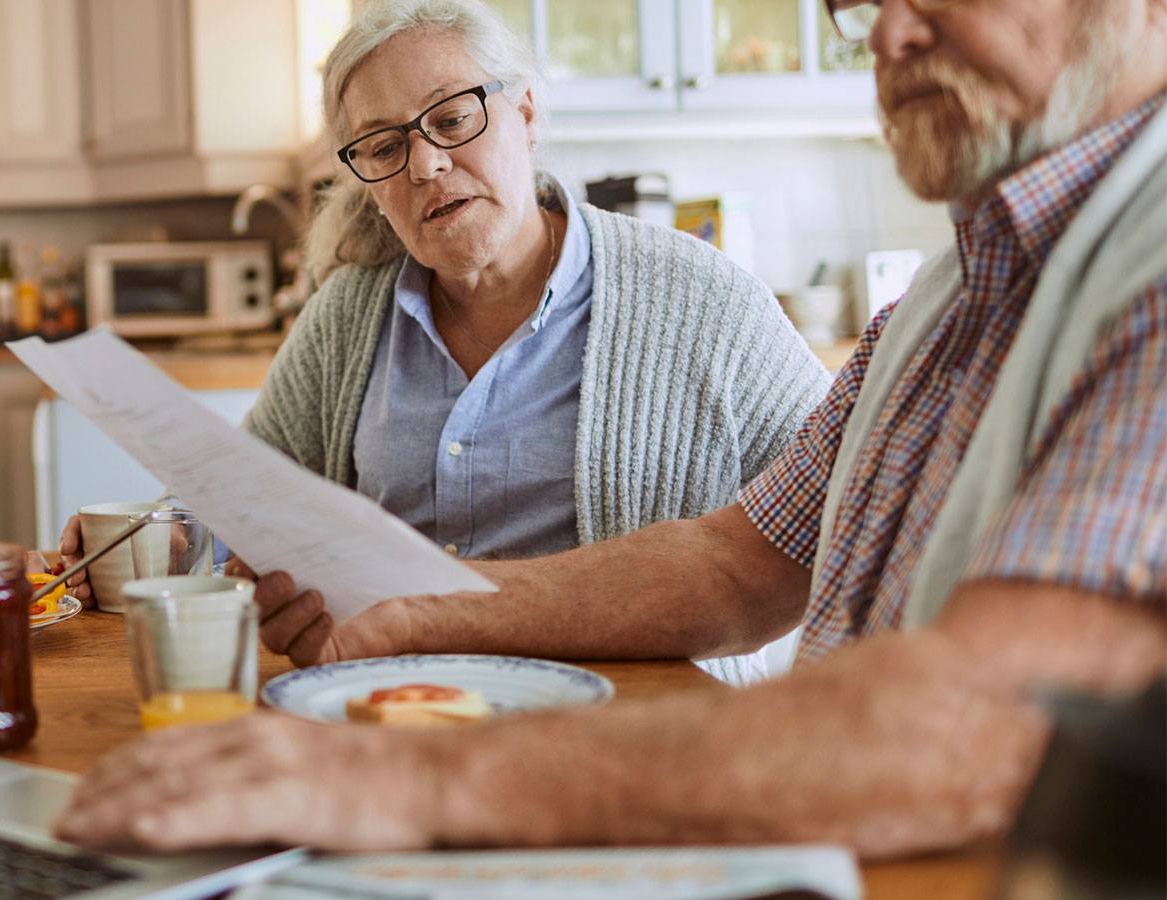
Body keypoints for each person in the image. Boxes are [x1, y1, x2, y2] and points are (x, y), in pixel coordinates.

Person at [53, 0, 1167, 859]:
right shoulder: (943, 299)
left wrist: (407, 786)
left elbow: (978, 725)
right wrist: (405, 609)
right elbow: (736, 563)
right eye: (862, 1)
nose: (887, 34)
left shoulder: (1149, 270)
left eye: (453, 121)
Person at [60, 0, 832, 685]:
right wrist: (149, 538)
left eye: (453, 119)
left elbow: (839, 508)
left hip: (634, 731)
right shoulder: (349, 316)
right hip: (391, 706)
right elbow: (246, 491)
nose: (426, 164)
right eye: (384, 146)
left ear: (527, 115)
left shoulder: (702, 298)